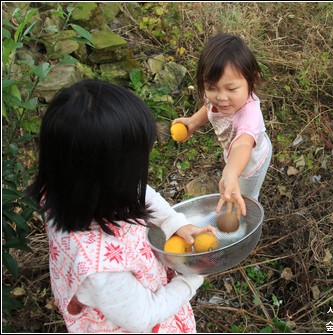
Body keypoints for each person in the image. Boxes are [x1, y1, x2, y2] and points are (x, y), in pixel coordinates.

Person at [27, 79, 216, 333]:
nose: (140, 176)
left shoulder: (64, 188)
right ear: (109, 181)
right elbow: (145, 316)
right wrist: (192, 279)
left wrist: (174, 223)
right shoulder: (100, 274)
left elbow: (141, 192)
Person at [173, 33, 272, 217]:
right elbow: (208, 106)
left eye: (231, 89)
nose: (221, 97)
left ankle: (246, 220)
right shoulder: (217, 94)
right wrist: (192, 123)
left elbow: (243, 144)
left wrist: (232, 172)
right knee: (233, 182)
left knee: (246, 196)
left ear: (252, 80)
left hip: (251, 160)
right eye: (211, 88)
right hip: (232, 153)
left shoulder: (250, 115)